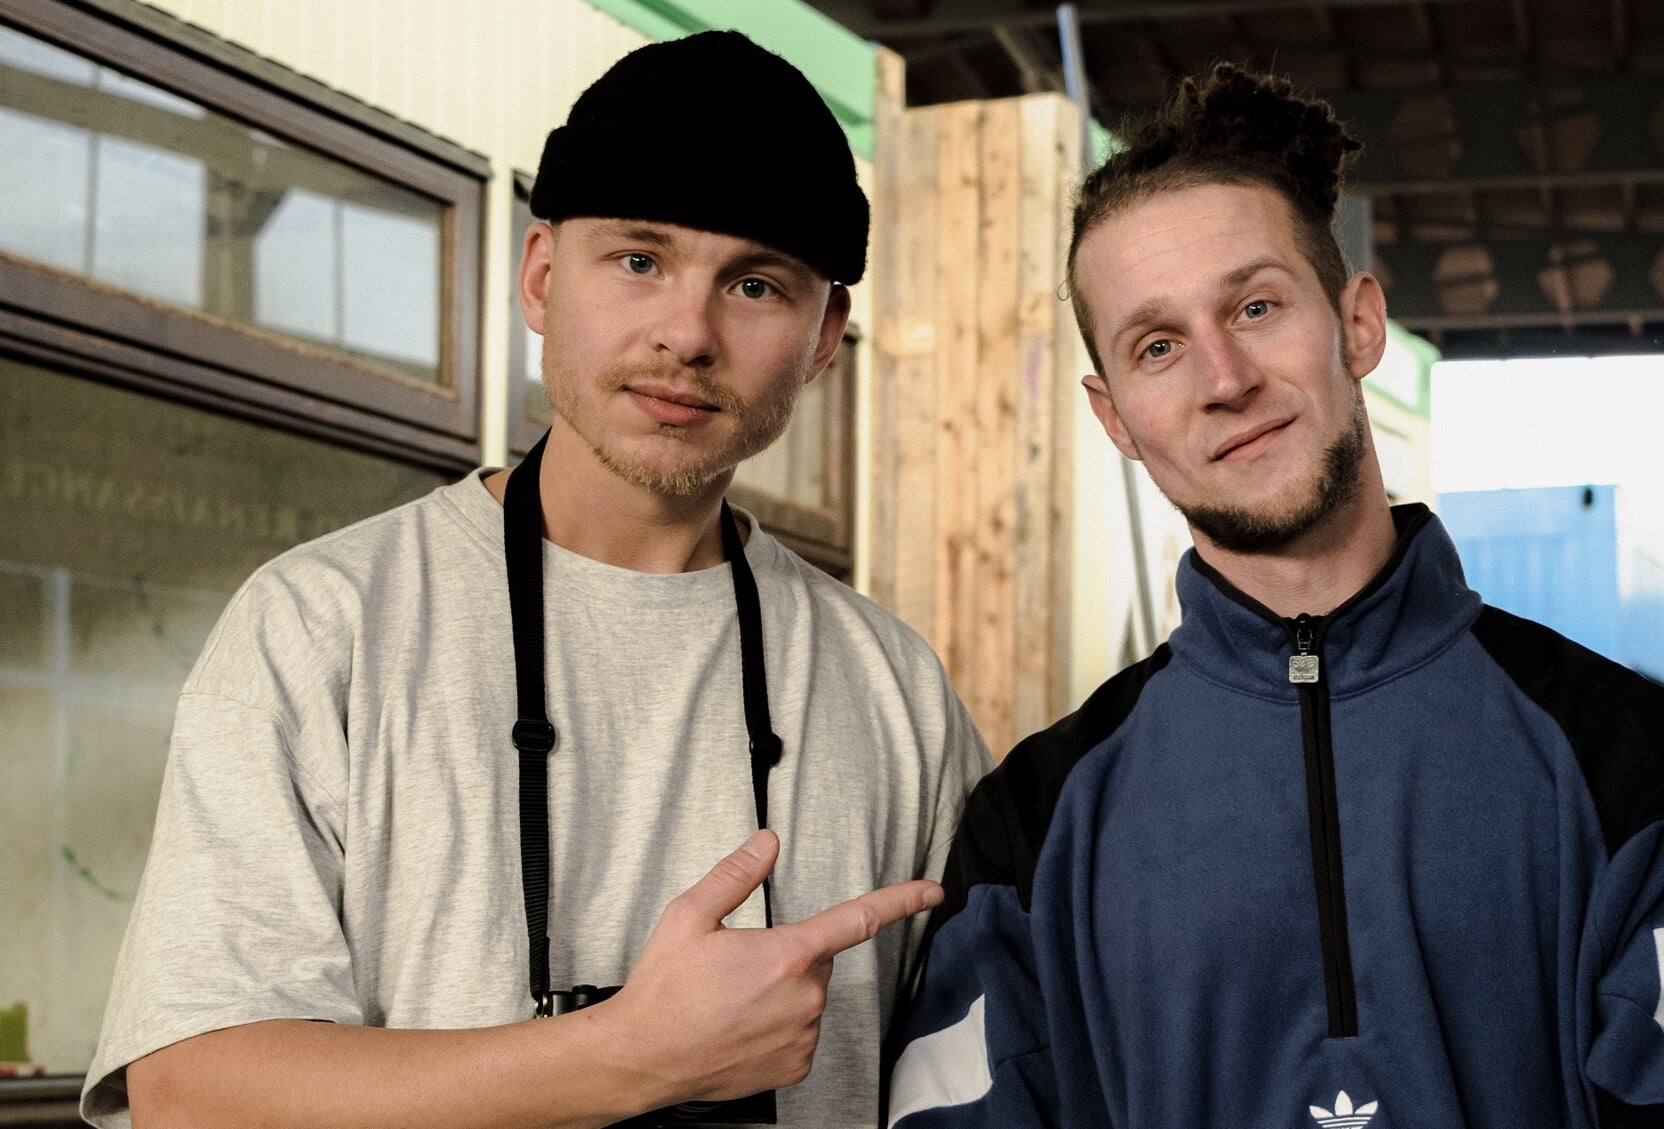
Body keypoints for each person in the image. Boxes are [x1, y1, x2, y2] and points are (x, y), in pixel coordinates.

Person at [82, 30, 991, 1129]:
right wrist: (629, 1054)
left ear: (823, 338)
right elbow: (191, 1093)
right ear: (542, 276)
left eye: (754, 284)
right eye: (639, 260)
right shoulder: (323, 625)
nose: (686, 334)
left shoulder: (892, 686)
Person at [884, 63, 1664, 1129]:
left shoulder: (1634, 762)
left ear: (1357, 323)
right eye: (1158, 345)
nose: (1222, 376)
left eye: (1256, 305)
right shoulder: (1032, 826)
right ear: (1113, 416)